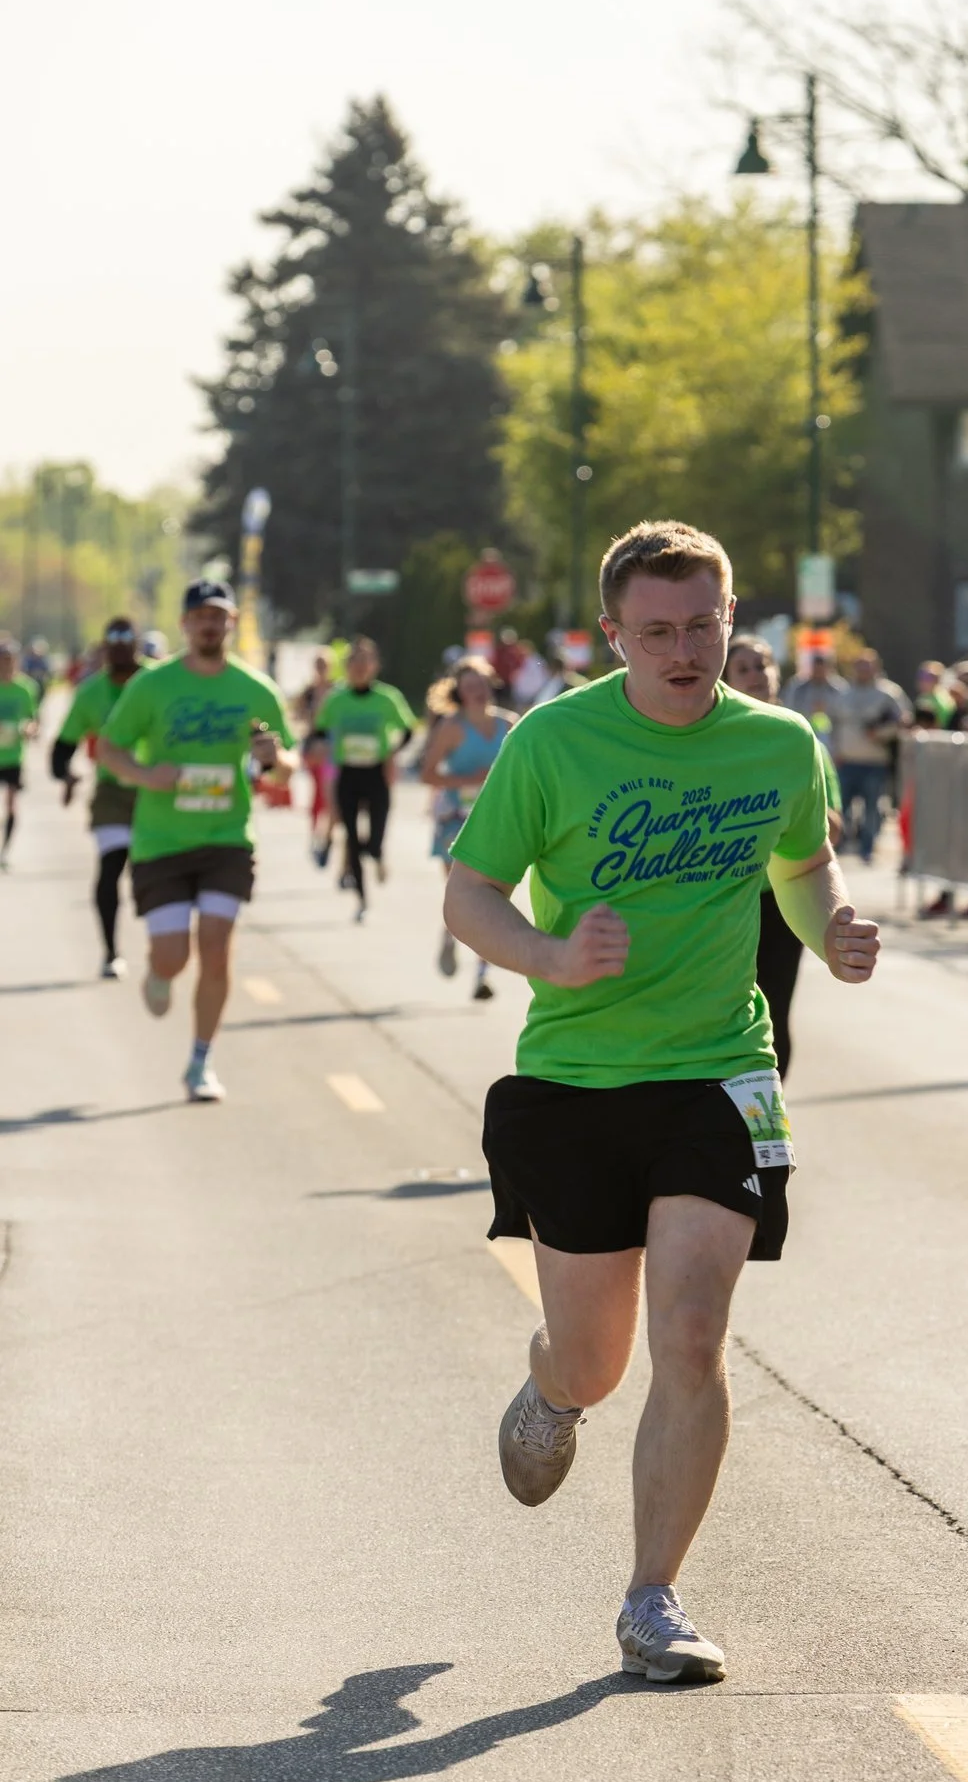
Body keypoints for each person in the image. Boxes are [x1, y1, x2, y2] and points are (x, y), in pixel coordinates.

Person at [443, 519, 879, 1684]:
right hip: (576, 1079)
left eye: (701, 625)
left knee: (690, 1331)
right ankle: (554, 1385)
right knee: (597, 1357)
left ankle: (652, 1597)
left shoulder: (780, 743)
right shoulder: (553, 740)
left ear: (731, 620)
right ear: (614, 635)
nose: (683, 651)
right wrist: (549, 954)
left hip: (719, 1072)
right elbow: (469, 892)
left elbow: (801, 862)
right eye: (657, 632)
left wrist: (829, 926)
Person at [97, 579, 294, 1102]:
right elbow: (109, 749)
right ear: (185, 624)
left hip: (227, 838)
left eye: (218, 616)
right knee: (173, 956)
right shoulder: (153, 685)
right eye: (201, 616)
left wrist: (275, 759)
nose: (210, 625)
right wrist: (146, 775)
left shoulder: (255, 690)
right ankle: (159, 973)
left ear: (231, 623)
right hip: (161, 841)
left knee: (216, 946)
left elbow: (286, 763)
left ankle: (200, 1062)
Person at [725, 634, 843, 1075]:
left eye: (763, 665)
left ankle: (770, 1107)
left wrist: (778, 811)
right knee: (723, 1010)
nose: (756, 675)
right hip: (725, 897)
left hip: (780, 899)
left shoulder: (799, 740)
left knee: (773, 1007)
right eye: (744, 668)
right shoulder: (710, 744)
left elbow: (831, 827)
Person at [50, 616, 144, 974]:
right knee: (110, 867)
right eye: (113, 644)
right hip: (112, 792)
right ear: (105, 649)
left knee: (152, 874)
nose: (120, 650)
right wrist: (66, 775)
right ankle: (111, 952)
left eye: (126, 643)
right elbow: (62, 748)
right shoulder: (90, 692)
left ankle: (165, 946)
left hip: (158, 793)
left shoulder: (158, 682)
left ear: (136, 646)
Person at [421, 658, 515, 995]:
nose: (478, 692)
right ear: (459, 693)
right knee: (463, 893)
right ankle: (450, 934)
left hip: (494, 820)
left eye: (482, 684)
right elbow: (427, 774)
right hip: (455, 820)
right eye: (470, 687)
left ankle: (481, 975)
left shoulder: (510, 725)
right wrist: (469, 779)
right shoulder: (451, 727)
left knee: (492, 898)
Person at [311, 639, 416, 923]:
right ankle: (361, 899)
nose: (359, 667)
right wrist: (320, 748)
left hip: (377, 773)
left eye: (365, 661)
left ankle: (377, 854)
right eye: (354, 662)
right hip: (348, 774)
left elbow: (408, 730)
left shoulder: (387, 697)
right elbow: (319, 732)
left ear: (375, 666)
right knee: (351, 838)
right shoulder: (336, 699)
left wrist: (392, 752)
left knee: (375, 838)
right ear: (346, 666)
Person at [828, 650, 909, 864]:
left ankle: (867, 848)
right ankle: (839, 846)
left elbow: (903, 721)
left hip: (875, 761)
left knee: (872, 809)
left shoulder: (889, 693)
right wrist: (835, 751)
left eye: (867, 666)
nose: (863, 670)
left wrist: (881, 733)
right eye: (860, 666)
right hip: (847, 761)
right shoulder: (843, 693)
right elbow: (832, 724)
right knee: (840, 807)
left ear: (876, 667)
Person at [0, 638, 40, 869]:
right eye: (2, 660)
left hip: (14, 756)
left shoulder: (26, 688)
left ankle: (5, 850)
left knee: (11, 804)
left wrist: (28, 729)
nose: (5, 664)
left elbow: (32, 720)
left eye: (9, 660)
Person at [295, 652, 337, 867]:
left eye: (324, 664)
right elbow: (299, 716)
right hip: (313, 748)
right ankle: (315, 834)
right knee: (318, 793)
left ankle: (328, 834)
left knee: (330, 795)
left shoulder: (336, 689)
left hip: (333, 748)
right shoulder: (308, 692)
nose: (321, 669)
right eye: (318, 665)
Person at [780, 647, 847, 754]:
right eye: (816, 669)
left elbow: (844, 718)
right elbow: (789, 709)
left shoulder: (838, 688)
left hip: (831, 743)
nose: (818, 672)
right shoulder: (798, 688)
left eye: (821, 669)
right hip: (804, 739)